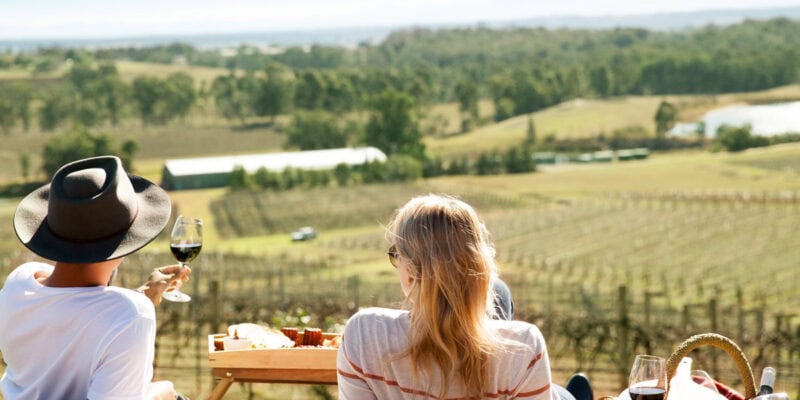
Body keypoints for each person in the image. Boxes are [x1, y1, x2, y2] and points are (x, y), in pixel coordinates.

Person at [337, 194, 573, 399]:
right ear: (481, 269)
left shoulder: (363, 333)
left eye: (395, 256)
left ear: (410, 272)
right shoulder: (523, 347)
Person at [0, 155, 190, 400]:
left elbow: (70, 303)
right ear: (127, 243)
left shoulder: (19, 282)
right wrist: (162, 392)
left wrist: (143, 294)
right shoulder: (131, 316)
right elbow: (87, 309)